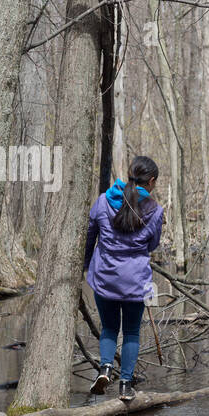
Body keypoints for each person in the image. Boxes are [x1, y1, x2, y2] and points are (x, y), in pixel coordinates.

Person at [84, 156, 165, 402]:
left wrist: (88, 266)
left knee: (109, 328)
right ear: (151, 181)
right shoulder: (155, 211)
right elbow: (152, 244)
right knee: (130, 332)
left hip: (105, 278)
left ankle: (106, 368)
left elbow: (90, 235)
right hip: (135, 282)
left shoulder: (102, 201)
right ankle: (125, 385)